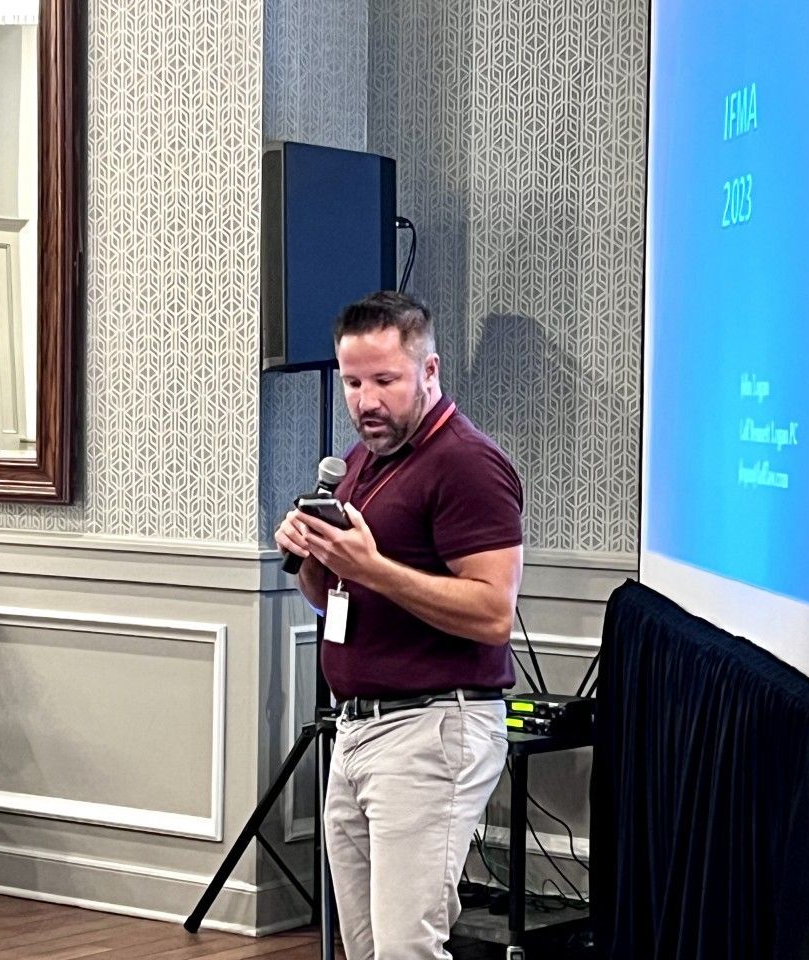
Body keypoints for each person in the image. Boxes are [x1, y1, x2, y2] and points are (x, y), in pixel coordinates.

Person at [275, 290, 524, 960]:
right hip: (357, 726)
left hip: (432, 726)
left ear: (430, 371)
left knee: (405, 949)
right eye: (353, 382)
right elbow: (334, 602)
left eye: (384, 380)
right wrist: (311, 558)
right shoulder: (358, 464)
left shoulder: (468, 464)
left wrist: (373, 567)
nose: (365, 401)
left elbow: (493, 612)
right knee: (364, 949)